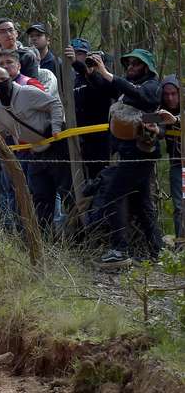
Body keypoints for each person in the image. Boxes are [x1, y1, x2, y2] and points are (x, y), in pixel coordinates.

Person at [91, 49, 164, 266]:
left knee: (113, 195)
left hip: (141, 152)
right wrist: (89, 70)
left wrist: (108, 74)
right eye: (129, 63)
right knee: (142, 203)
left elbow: (142, 97)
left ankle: (119, 250)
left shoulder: (152, 86)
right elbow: (105, 87)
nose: (131, 67)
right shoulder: (127, 89)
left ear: (147, 67)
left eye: (136, 63)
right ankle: (158, 251)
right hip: (128, 153)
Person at [0, 67, 68, 232]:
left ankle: (76, 235)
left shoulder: (27, 92)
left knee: (67, 192)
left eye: (3, 79)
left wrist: (56, 127)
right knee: (40, 198)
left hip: (57, 148)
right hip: (34, 153)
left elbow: (54, 103)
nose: (0, 83)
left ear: (10, 78)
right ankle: (45, 239)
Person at [63, 38, 113, 180]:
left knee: (100, 177)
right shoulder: (71, 79)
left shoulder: (98, 74)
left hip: (100, 138)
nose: (76, 57)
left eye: (80, 54)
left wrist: (78, 64)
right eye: (74, 53)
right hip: (79, 138)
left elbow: (101, 86)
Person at [0, 18, 41, 103]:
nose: (8, 34)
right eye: (2, 32)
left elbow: (32, 86)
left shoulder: (27, 57)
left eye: (10, 30)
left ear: (16, 33)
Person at [160, 75, 182, 238]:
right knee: (179, 206)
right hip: (176, 163)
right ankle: (181, 245)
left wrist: (175, 120)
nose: (170, 97)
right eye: (166, 94)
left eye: (173, 93)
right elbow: (146, 120)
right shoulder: (161, 109)